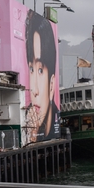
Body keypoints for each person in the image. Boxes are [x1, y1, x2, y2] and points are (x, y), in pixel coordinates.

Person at [25, 10, 60, 143]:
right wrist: (32, 135)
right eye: (31, 69)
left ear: (52, 85)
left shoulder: (55, 123)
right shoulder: (26, 116)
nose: (34, 90)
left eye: (40, 70)